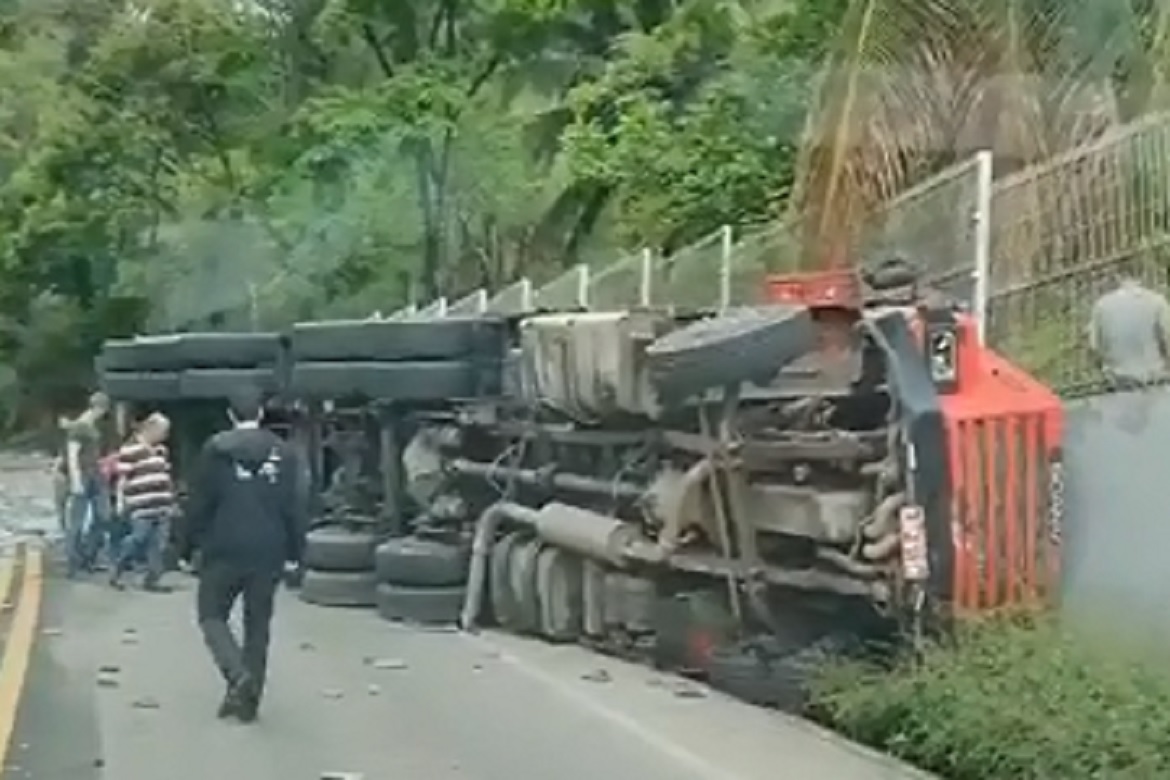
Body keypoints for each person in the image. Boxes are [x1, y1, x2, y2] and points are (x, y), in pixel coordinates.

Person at [182, 387, 303, 723]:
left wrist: (185, 546)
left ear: (231, 416)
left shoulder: (215, 450)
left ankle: (236, 674)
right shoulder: (285, 453)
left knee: (211, 613)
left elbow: (200, 504)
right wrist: (296, 552)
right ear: (261, 414)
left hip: (224, 546)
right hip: (270, 548)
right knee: (258, 626)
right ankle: (249, 704)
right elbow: (294, 507)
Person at [110, 412, 176, 592]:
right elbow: (122, 477)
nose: (165, 435)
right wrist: (120, 502)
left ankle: (152, 579)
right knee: (138, 539)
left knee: (160, 544)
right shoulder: (130, 450)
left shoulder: (162, 450)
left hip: (161, 504)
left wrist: (171, 499)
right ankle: (117, 568)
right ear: (151, 429)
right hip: (141, 504)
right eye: (163, 431)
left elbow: (165, 475)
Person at [1088, 272, 1170, 390]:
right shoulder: (1157, 301)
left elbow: (1095, 347)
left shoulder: (1101, 306)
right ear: (1141, 278)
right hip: (1154, 379)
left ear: (1118, 278)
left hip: (1118, 381)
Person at [62, 392, 112, 577]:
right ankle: (74, 563)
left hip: (96, 474)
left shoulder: (92, 427)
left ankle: (89, 556)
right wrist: (75, 480)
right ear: (98, 408)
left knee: (103, 516)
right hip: (83, 475)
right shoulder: (79, 427)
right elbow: (72, 454)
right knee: (77, 520)